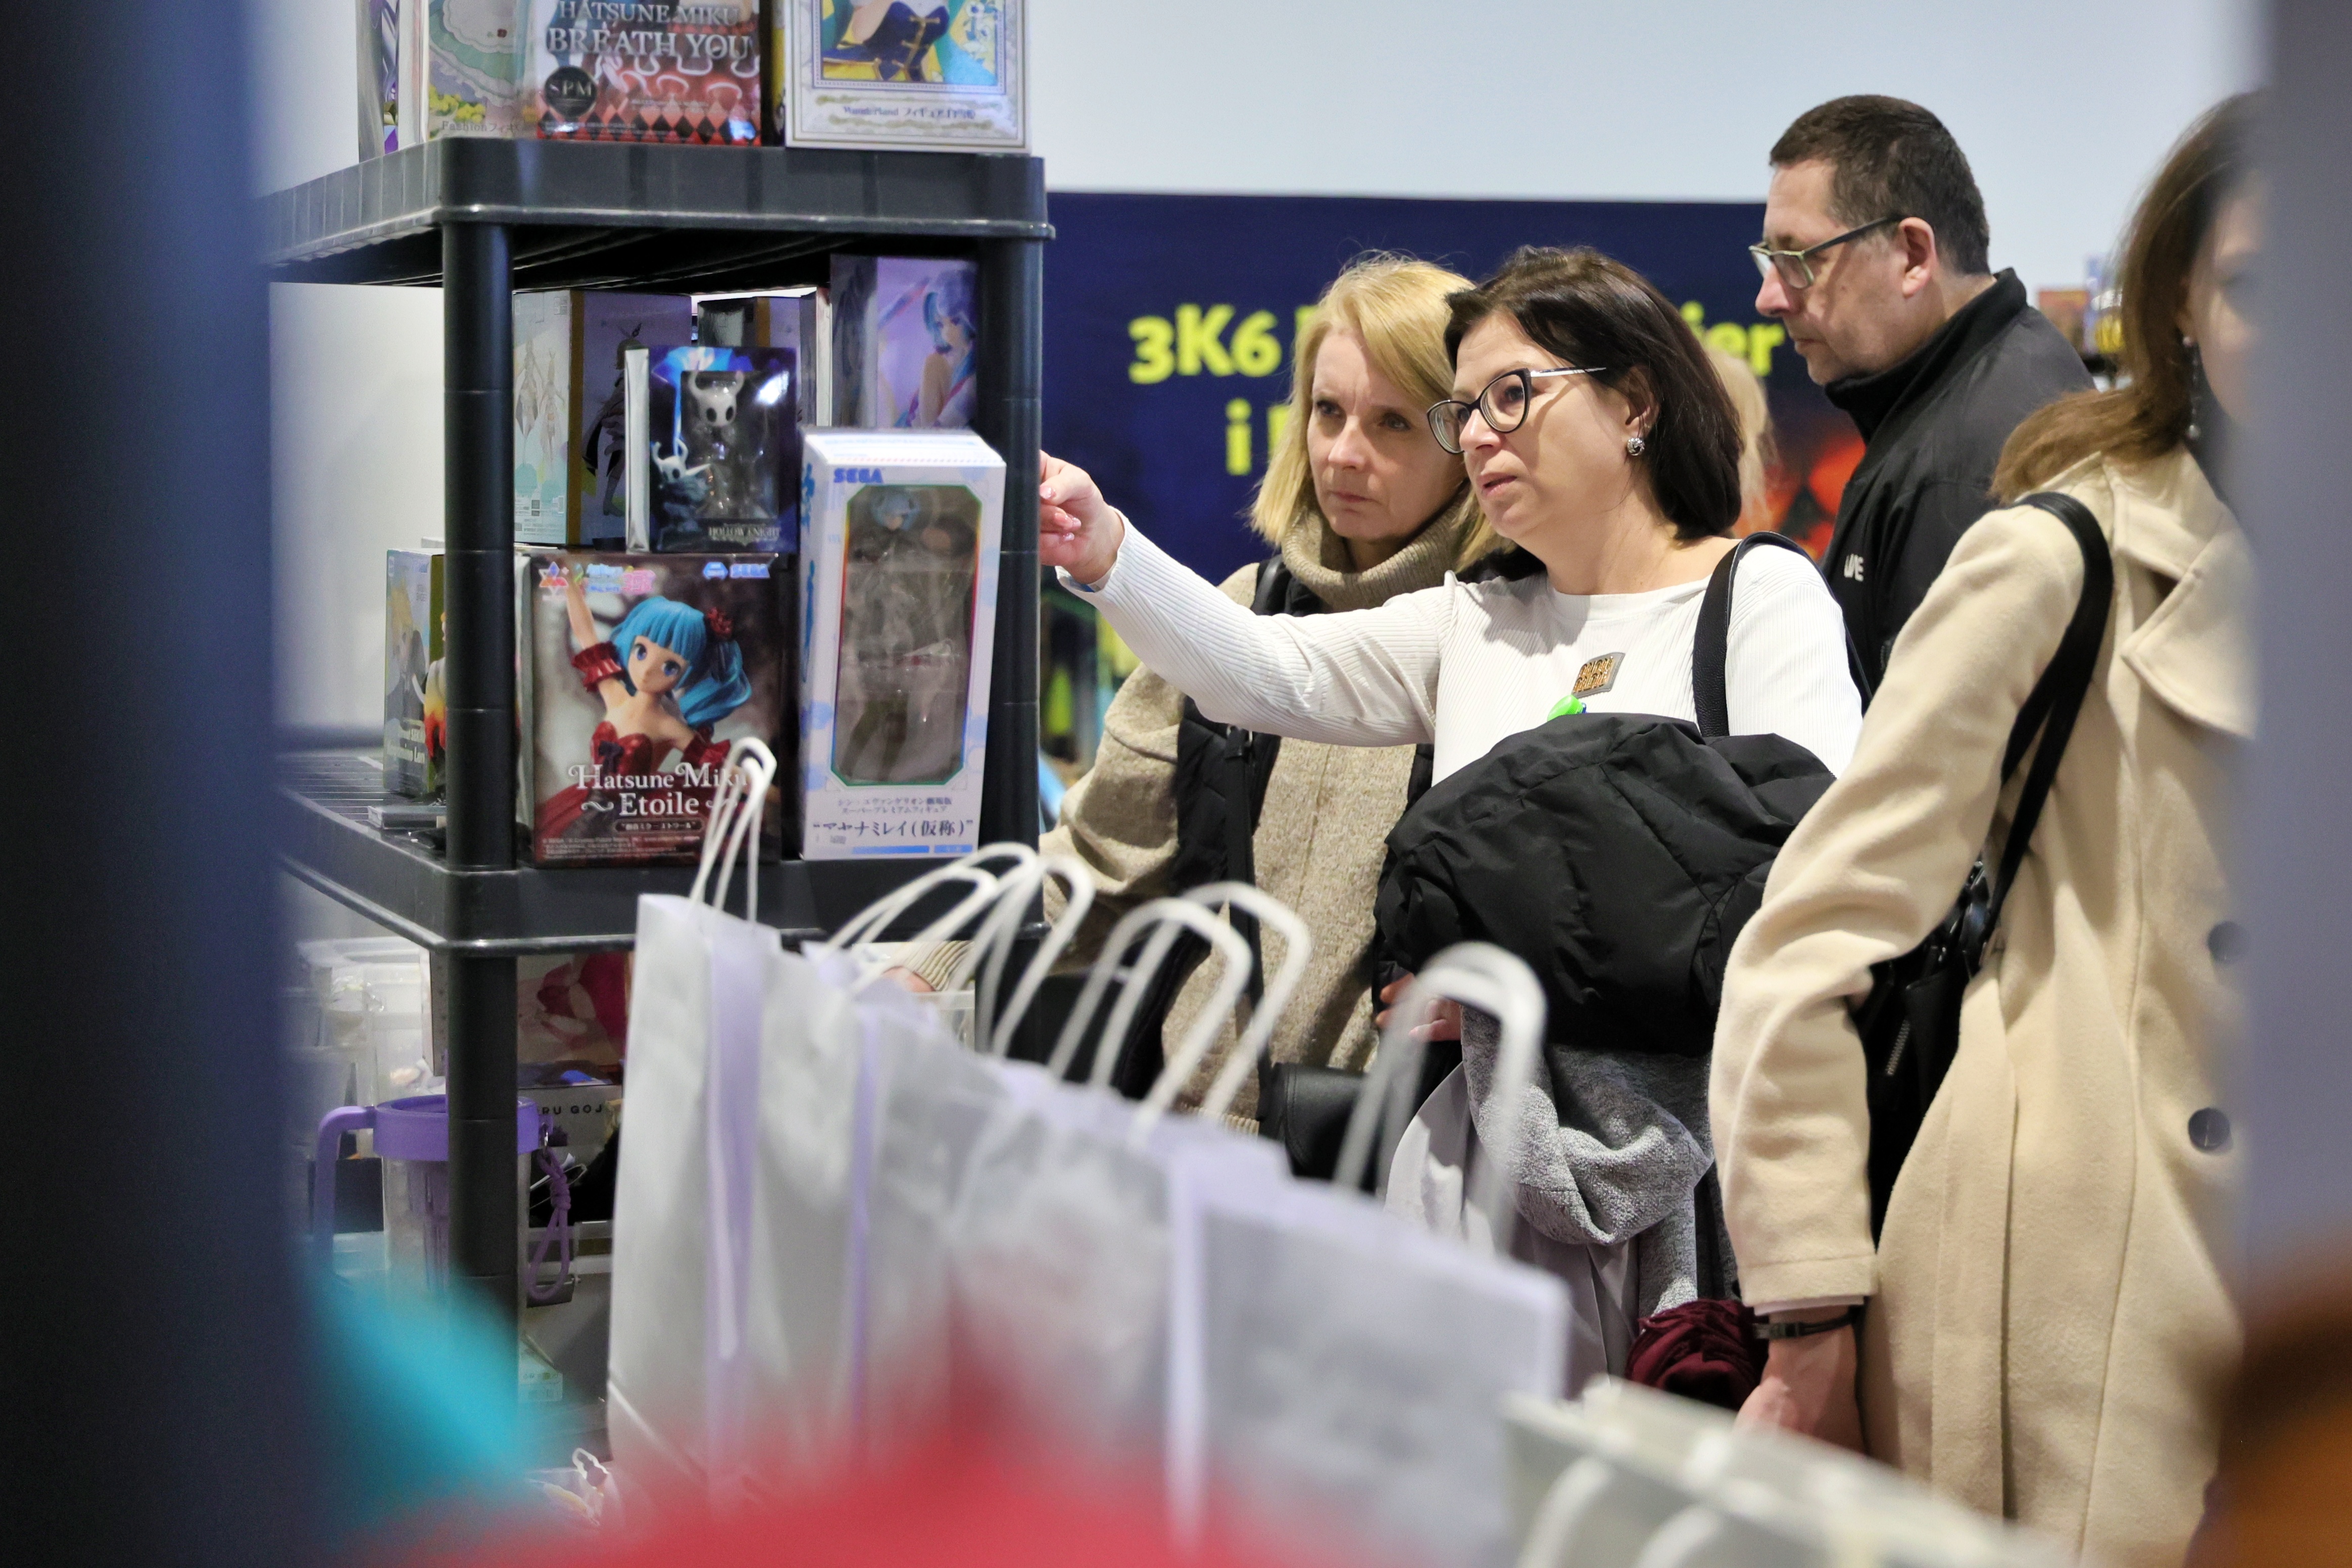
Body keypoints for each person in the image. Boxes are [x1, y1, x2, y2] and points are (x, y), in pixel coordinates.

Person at [1711, 95, 2258, 1565]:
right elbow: (1812, 930)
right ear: (2179, 304)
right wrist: (1810, 1306)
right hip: (2078, 1288)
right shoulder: (2063, 550)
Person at [906, 256, 1500, 1121]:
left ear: (1466, 440)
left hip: (1395, 1162)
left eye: (1393, 423)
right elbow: (1094, 865)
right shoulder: (1236, 613)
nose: (1343, 453)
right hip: (1182, 1146)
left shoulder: (1508, 641)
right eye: (1327, 411)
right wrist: (926, 964)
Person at [1755, 95, 2092, 695]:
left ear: (1913, 255)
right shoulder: (1994, 380)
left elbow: (1941, 746)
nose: (1770, 298)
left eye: (1801, 259)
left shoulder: (1964, 469)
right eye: (1770, 261)